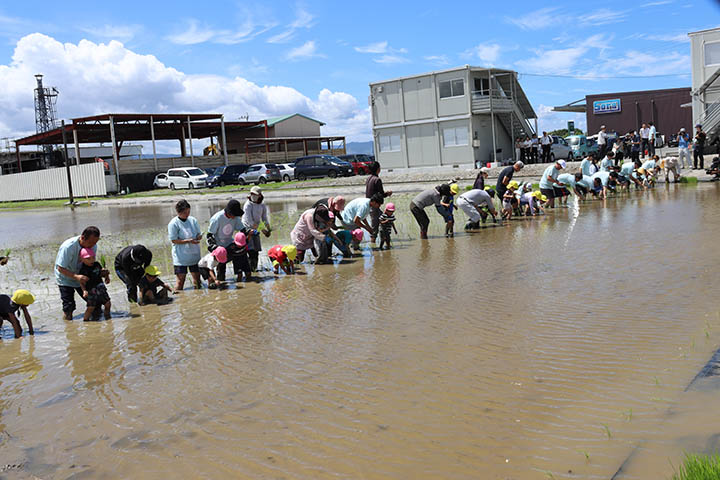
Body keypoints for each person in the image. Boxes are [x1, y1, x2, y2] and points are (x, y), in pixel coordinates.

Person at [56, 226, 101, 320]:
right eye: (90, 243)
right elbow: (60, 268)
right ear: (83, 238)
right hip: (65, 278)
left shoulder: (93, 246)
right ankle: (68, 325)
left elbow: (90, 264)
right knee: (69, 307)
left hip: (83, 277)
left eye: (95, 243)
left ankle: (95, 325)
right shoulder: (68, 247)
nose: (92, 246)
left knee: (95, 303)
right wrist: (75, 276)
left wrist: (100, 272)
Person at [168, 199, 202, 291]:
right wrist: (188, 241)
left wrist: (199, 237)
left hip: (194, 255)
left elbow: (199, 233)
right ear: (178, 212)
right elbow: (174, 240)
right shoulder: (173, 223)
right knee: (180, 282)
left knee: (198, 281)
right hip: (181, 257)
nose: (187, 214)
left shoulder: (193, 220)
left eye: (188, 211)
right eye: (185, 212)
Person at [207, 199, 245, 281]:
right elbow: (209, 235)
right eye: (234, 215)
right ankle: (220, 282)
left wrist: (248, 233)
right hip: (219, 247)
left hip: (230, 244)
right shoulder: (217, 218)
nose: (235, 217)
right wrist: (214, 248)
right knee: (221, 268)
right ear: (229, 213)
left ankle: (239, 278)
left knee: (239, 257)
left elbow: (242, 229)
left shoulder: (235, 218)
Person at [242, 186, 271, 271]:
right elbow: (250, 221)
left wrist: (268, 229)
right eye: (252, 194)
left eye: (255, 194)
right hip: (247, 228)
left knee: (256, 249)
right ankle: (250, 269)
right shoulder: (248, 205)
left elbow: (264, 218)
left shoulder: (262, 205)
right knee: (250, 249)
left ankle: (254, 269)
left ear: (259, 195)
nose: (253, 195)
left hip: (257, 228)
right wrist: (263, 230)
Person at [78, 248, 111, 321]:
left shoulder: (97, 264)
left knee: (108, 304)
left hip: (101, 289)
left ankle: (108, 318)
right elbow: (82, 282)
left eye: (93, 257)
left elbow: (101, 273)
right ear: (82, 259)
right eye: (88, 259)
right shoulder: (83, 269)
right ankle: (85, 321)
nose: (92, 260)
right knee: (91, 308)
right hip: (91, 291)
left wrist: (106, 276)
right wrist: (84, 291)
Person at [365, 161, 392, 242]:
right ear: (378, 169)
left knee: (382, 219)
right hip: (374, 205)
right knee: (375, 225)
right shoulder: (377, 180)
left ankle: (383, 238)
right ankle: (374, 243)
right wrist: (388, 193)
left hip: (370, 204)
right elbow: (381, 194)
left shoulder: (369, 178)